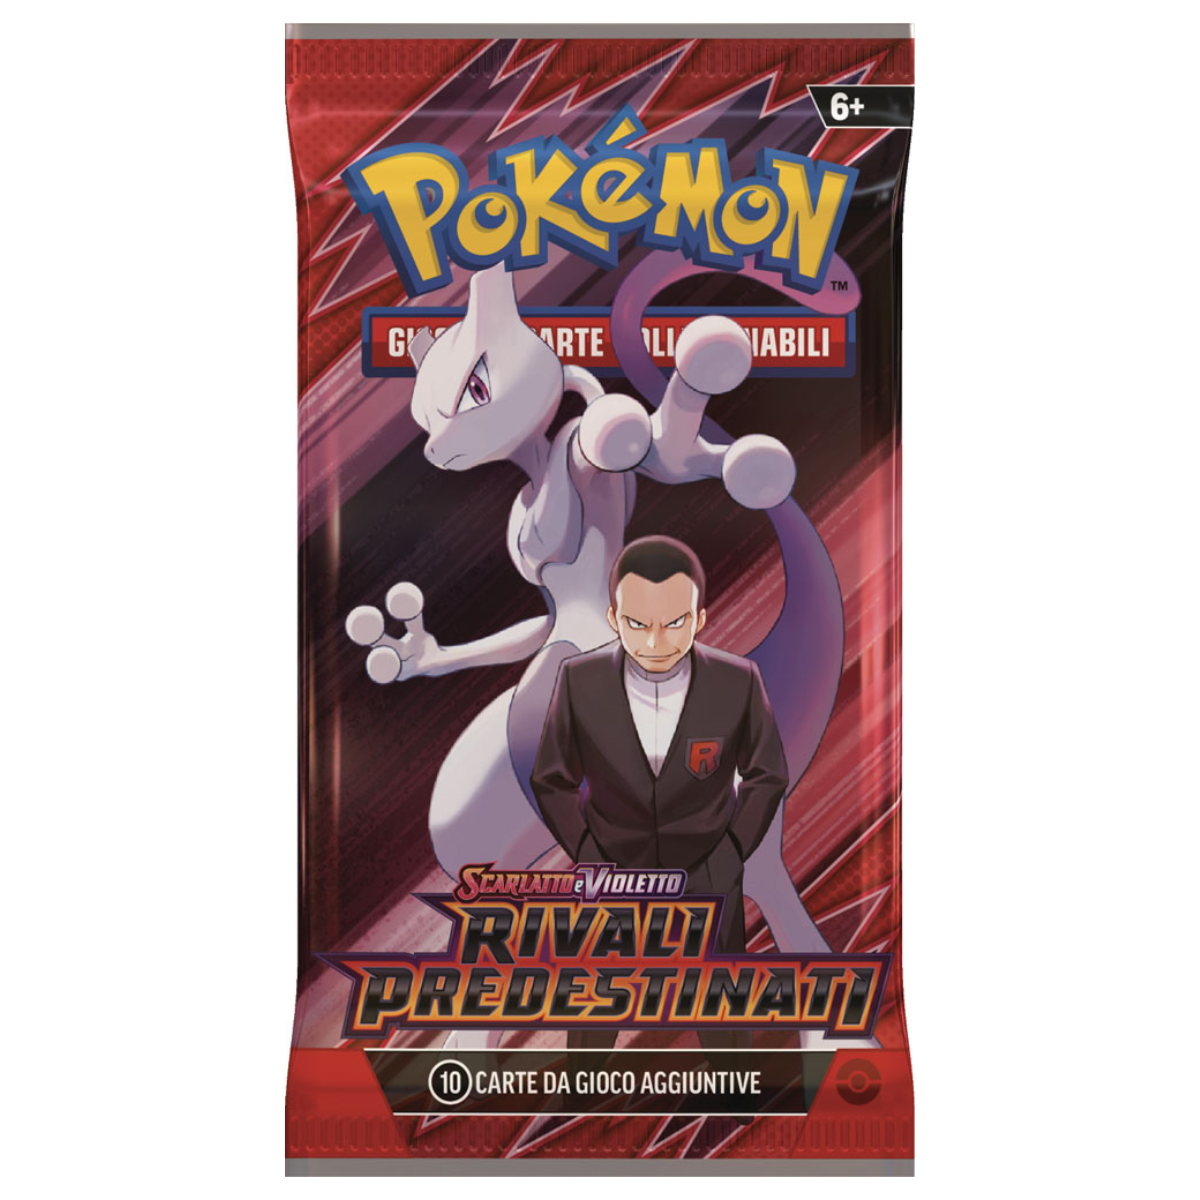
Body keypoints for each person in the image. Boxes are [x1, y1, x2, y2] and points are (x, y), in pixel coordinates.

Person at [532, 535, 789, 1050]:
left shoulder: (738, 682)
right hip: (609, 875)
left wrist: (731, 851)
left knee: (724, 1023)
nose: (655, 642)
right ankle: (582, 1094)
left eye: (674, 623)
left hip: (708, 873)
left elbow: (768, 775)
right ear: (613, 618)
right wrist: (587, 852)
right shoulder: (578, 681)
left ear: (700, 619)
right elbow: (550, 778)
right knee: (592, 1019)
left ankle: (737, 1092)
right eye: (637, 623)